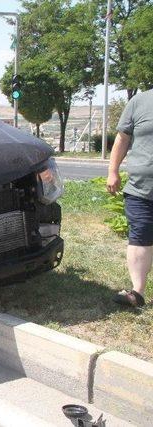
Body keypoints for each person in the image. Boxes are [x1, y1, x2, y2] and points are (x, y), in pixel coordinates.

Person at [107, 89, 153, 307]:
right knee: (140, 234)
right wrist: (112, 171)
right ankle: (137, 293)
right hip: (140, 188)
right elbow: (122, 138)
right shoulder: (139, 101)